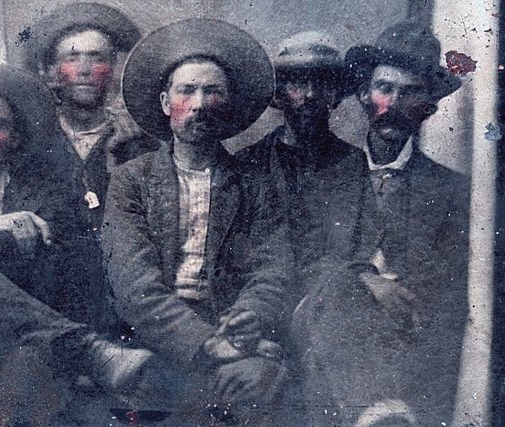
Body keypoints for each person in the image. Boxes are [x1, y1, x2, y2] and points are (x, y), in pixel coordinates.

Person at [0, 64, 164, 426]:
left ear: (16, 138)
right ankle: (86, 351)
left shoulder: (44, 196)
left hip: (21, 354)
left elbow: (48, 272)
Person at [103, 18, 295, 424]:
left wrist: (249, 317)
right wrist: (207, 343)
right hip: (153, 336)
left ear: (229, 105)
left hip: (231, 330)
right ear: (164, 103)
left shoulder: (255, 182)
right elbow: (134, 287)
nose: (200, 104)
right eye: (187, 90)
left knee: (259, 383)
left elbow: (272, 269)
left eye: (213, 92)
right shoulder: (131, 181)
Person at [294, 21, 469, 425]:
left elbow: (448, 286)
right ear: (363, 96)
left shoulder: (451, 192)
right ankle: (379, 413)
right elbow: (305, 261)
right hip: (327, 322)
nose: (392, 104)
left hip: (406, 336)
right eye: (384, 89)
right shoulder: (326, 180)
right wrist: (364, 279)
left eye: (411, 93)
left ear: (428, 107)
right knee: (339, 294)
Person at [25, 2, 159, 328]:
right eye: (72, 57)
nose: (84, 69)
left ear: (113, 70)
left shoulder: (140, 142)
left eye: (97, 58)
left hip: (122, 295)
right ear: (54, 72)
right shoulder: (30, 142)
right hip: (46, 295)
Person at [236, 31, 366, 278]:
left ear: (336, 95)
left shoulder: (352, 162)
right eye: (297, 83)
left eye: (322, 83)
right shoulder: (249, 162)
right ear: (278, 94)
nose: (310, 94)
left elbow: (344, 248)